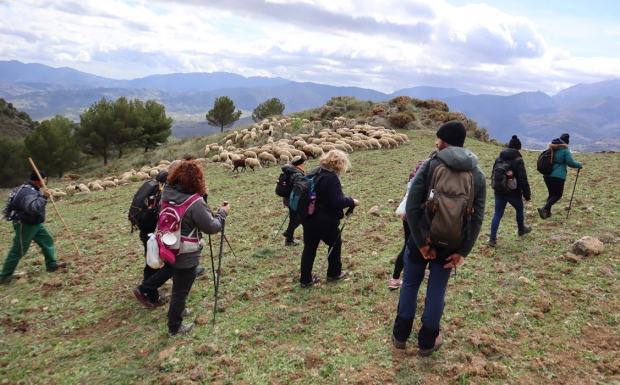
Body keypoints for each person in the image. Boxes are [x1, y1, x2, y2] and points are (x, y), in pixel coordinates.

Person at [391, 121, 486, 356]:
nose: (436, 142)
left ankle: (400, 336)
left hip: (421, 239)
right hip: (451, 244)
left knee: (411, 284)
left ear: (445, 141)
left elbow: (412, 207)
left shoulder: (430, 165)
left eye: (438, 138)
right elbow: (477, 218)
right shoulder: (477, 174)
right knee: (437, 289)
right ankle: (427, 341)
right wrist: (463, 251)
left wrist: (422, 243)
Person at [132, 159, 230, 336]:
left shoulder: (167, 195)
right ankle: (175, 327)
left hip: (169, 247)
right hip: (186, 251)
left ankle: (178, 309)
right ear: (196, 179)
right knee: (180, 290)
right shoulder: (195, 202)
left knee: (180, 281)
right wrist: (223, 213)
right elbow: (212, 227)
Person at [299, 150, 359, 288]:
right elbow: (337, 201)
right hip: (324, 220)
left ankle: (305, 280)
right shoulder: (331, 178)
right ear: (339, 164)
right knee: (335, 243)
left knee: (309, 248)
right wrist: (351, 201)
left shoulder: (315, 171)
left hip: (308, 217)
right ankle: (334, 273)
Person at [0, 171, 68, 284]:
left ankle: (51, 264)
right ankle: (4, 276)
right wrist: (44, 197)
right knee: (19, 249)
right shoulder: (27, 193)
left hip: (34, 223)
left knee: (47, 240)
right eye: (45, 179)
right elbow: (34, 209)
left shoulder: (29, 188)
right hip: (25, 224)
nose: (46, 181)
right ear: (41, 180)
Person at [488, 135, 532, 247]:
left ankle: (492, 239)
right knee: (519, 209)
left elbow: (493, 174)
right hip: (514, 192)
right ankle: (521, 229)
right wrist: (527, 195)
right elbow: (522, 178)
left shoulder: (499, 158)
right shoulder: (518, 160)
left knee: (497, 214)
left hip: (499, 191)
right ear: (518, 148)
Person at [537, 133, 584, 219]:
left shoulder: (551, 149)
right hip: (558, 176)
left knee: (551, 194)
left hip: (547, 175)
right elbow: (570, 163)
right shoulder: (565, 150)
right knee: (557, 195)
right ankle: (544, 208)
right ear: (566, 143)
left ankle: (547, 213)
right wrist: (579, 164)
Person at [281, 156, 306, 246]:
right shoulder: (298, 174)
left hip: (288, 199)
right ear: (299, 164)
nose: (304, 164)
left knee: (295, 218)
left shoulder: (290, 172)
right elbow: (298, 188)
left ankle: (289, 236)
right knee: (299, 218)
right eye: (303, 163)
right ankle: (289, 238)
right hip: (293, 200)